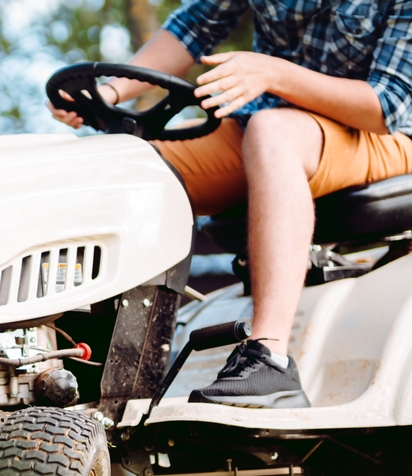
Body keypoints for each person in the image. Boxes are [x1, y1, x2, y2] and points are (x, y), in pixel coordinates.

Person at [49, 0, 412, 409]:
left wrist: (273, 74)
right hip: (265, 122)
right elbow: (195, 25)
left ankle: (270, 358)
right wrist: (110, 91)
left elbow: (389, 103)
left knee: (272, 132)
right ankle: (74, 362)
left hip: (383, 136)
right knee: (125, 164)